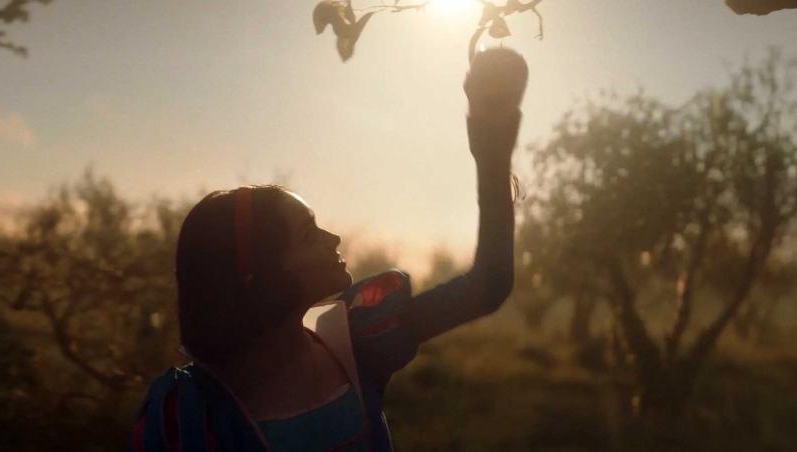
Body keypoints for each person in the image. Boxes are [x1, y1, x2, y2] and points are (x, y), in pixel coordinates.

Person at [131, 48, 527, 452]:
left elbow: (489, 284)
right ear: (258, 272)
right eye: (307, 234)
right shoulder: (183, 418)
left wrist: (491, 147)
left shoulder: (353, 342)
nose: (333, 239)